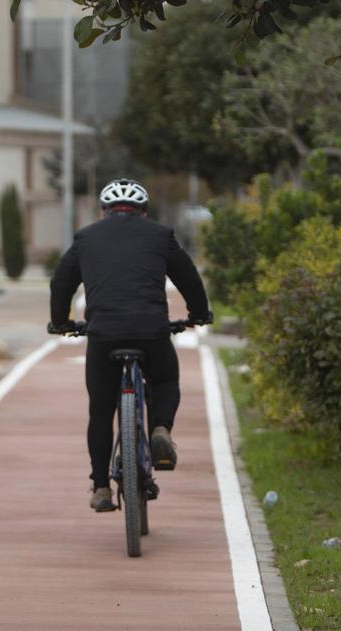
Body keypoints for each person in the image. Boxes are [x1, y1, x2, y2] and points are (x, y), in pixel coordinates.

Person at [49, 178, 212, 512]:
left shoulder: (86, 238)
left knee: (100, 410)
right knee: (165, 380)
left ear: (104, 211)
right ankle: (161, 427)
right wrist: (198, 314)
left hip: (102, 333)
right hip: (151, 331)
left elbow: (61, 282)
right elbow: (188, 277)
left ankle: (100, 487)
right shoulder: (160, 236)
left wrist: (62, 322)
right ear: (144, 211)